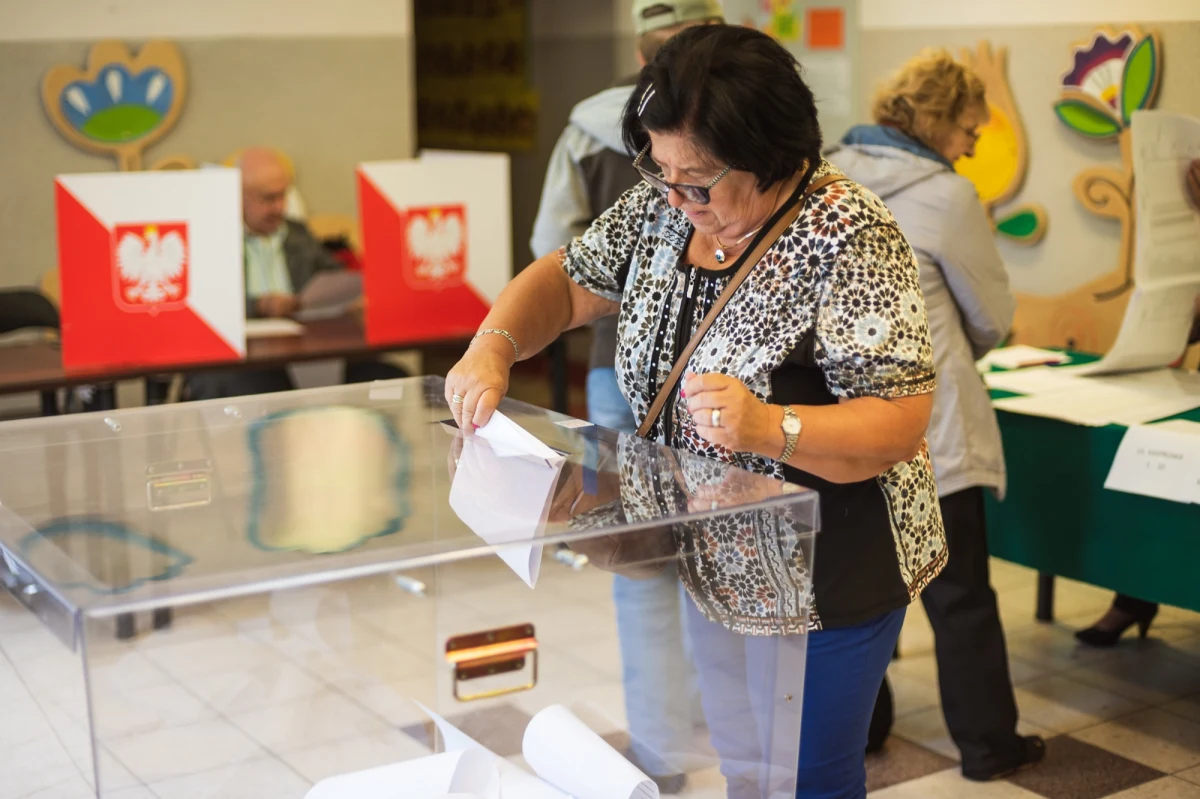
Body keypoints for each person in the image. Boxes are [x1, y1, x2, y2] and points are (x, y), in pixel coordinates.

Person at [446, 25, 946, 797]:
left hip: (833, 567)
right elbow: (569, 278)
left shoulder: (848, 235)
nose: (676, 197)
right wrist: (494, 343)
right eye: (662, 169)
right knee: (746, 766)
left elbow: (901, 419)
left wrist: (771, 426)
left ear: (773, 156)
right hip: (713, 548)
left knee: (808, 776)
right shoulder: (662, 206)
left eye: (699, 181)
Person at [826, 49, 1045, 780]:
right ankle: (988, 746)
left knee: (861, 586)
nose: (975, 144)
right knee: (958, 596)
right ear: (936, 119)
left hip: (846, 429)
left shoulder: (827, 176)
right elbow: (993, 314)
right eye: (969, 130)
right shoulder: (946, 197)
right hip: (927, 433)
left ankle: (866, 727)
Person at [529, 0, 722, 790]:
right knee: (724, 543)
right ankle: (731, 726)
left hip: (619, 369)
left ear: (641, 51)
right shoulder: (741, 126)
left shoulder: (588, 125)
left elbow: (553, 249)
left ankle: (661, 748)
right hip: (726, 377)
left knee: (643, 562)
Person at [187, 148, 402, 400]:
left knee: (387, 379)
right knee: (257, 387)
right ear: (239, 197)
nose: (279, 207)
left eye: (283, 196)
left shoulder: (297, 234)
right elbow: (204, 305)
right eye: (268, 199)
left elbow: (334, 276)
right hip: (244, 356)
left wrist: (342, 297)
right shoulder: (214, 239)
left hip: (306, 349)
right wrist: (260, 305)